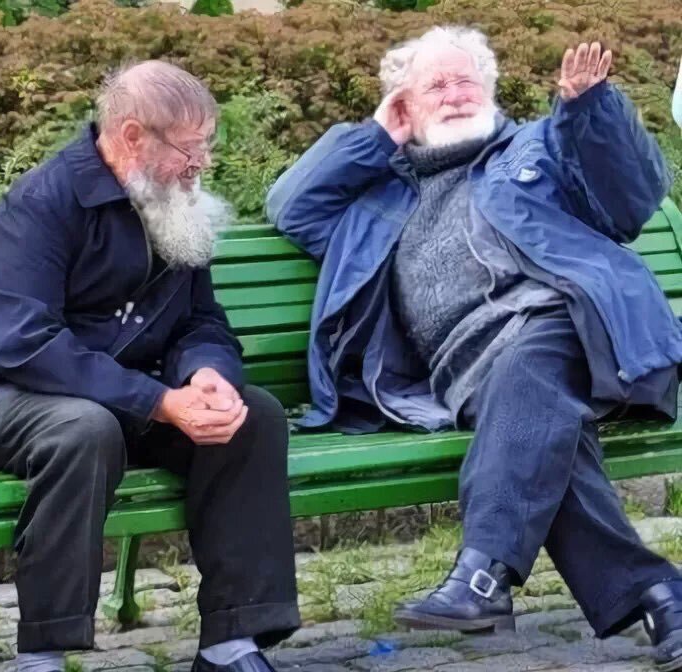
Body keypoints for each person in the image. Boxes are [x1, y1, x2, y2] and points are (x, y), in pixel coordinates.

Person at [268, 26, 682, 671]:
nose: (455, 93)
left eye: (466, 80)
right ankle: (660, 593)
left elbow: (627, 203)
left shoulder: (538, 147)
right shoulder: (378, 202)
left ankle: (482, 573)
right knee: (539, 428)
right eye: (435, 85)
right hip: (467, 373)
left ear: (489, 89)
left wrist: (588, 112)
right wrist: (377, 136)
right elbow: (291, 206)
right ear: (404, 106)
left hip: (569, 323)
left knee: (531, 365)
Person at [0, 60, 300, 672]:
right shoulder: (42, 202)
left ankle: (232, 642)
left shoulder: (171, 202)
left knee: (249, 417)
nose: (202, 162)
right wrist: (158, 401)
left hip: (119, 394)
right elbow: (22, 341)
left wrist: (206, 375)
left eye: (207, 144)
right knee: (83, 430)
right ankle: (43, 656)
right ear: (132, 136)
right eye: (190, 147)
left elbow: (200, 320)